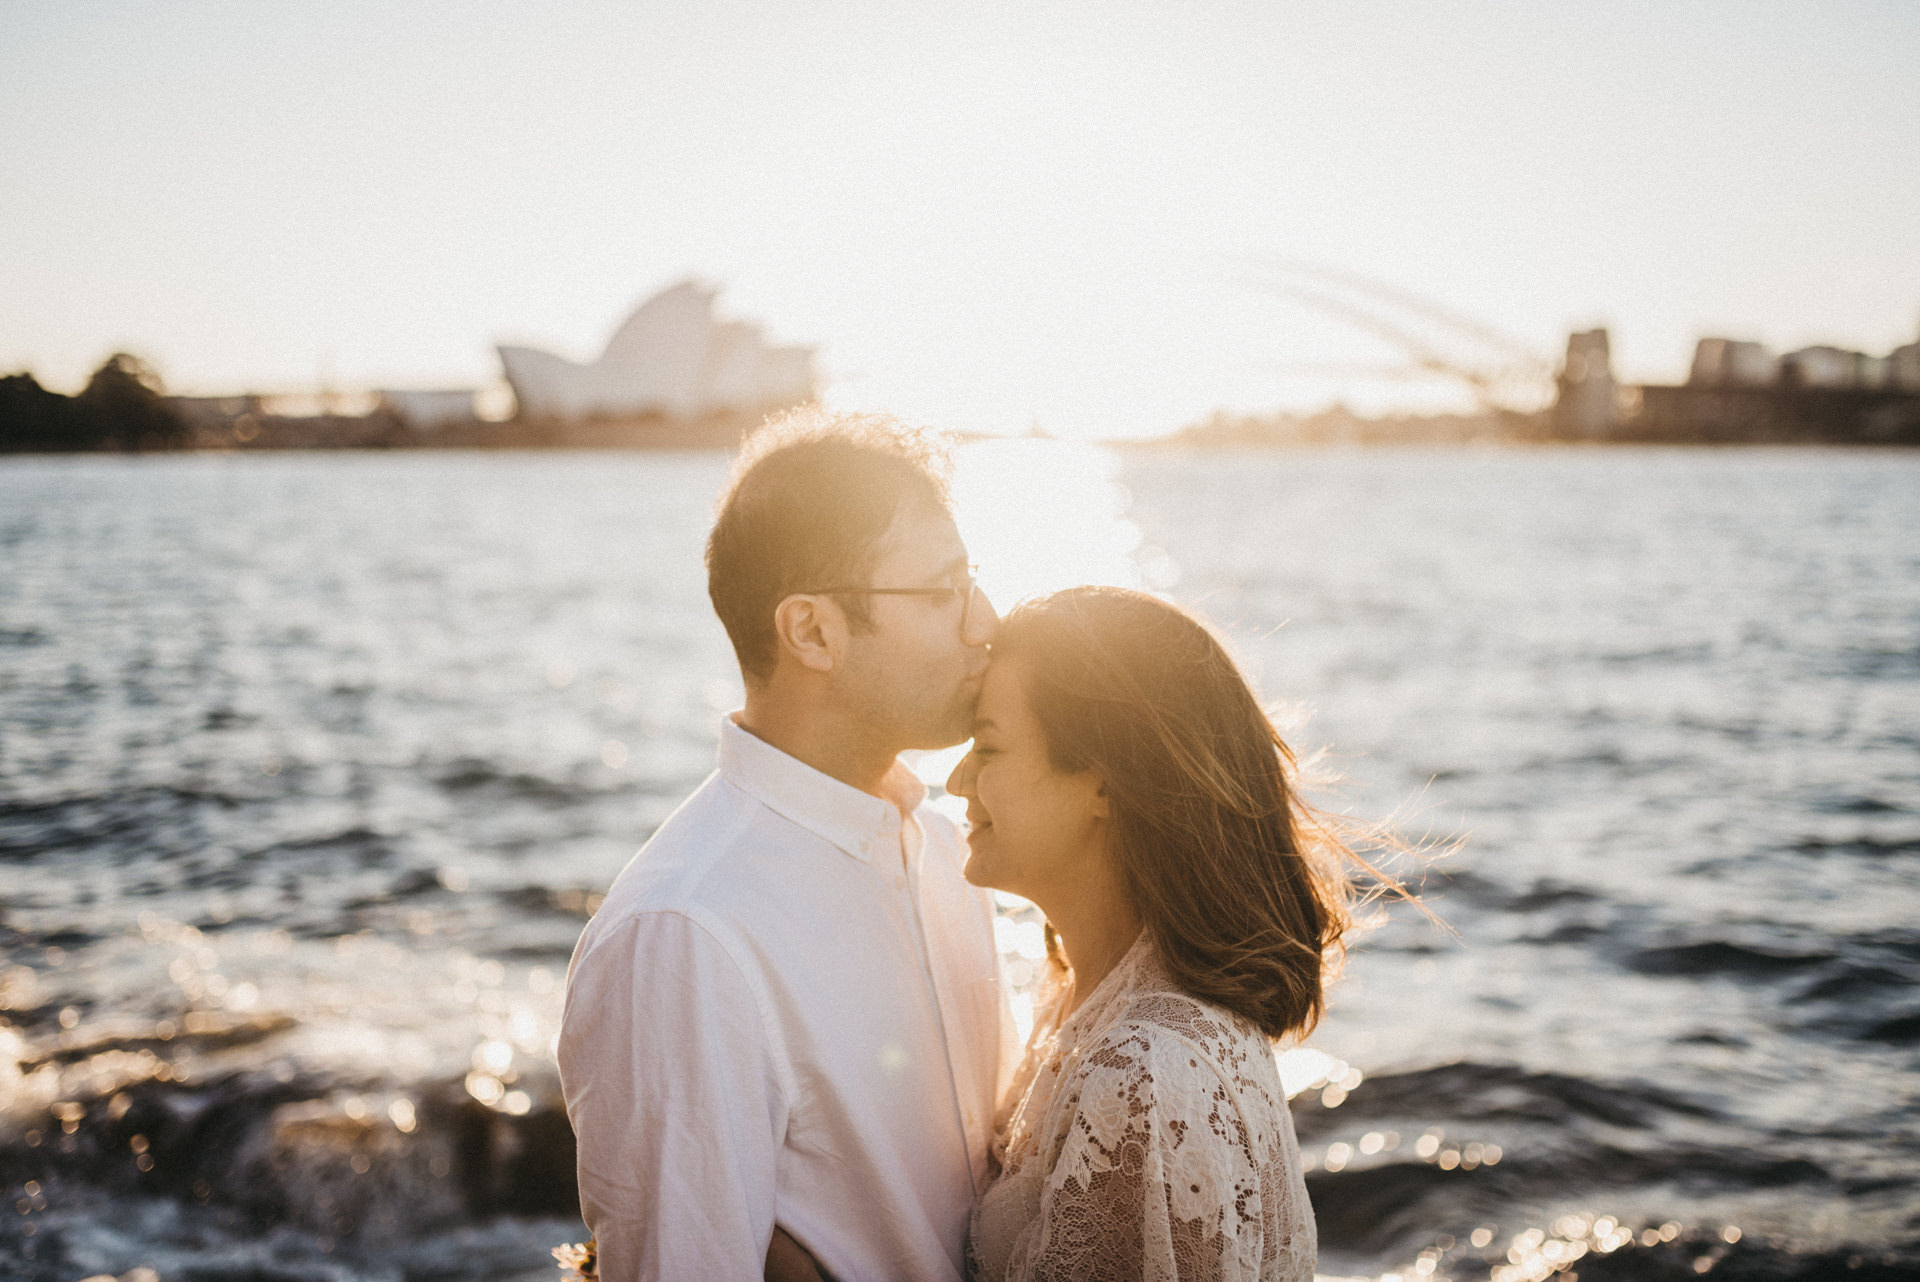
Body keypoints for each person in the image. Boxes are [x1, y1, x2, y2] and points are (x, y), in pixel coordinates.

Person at [557, 411, 1011, 1281]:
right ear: (812, 632)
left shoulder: (952, 855)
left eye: (973, 580)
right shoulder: (687, 935)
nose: (983, 621)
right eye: (942, 589)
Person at [948, 585, 1367, 1282]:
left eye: (988, 747)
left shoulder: (1141, 1077)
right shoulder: (1080, 991)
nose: (960, 778)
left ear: (1102, 785)